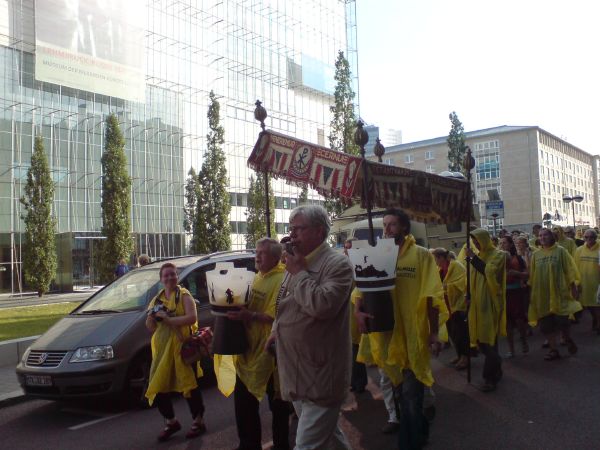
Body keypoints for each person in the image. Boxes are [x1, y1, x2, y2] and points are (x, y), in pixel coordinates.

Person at [356, 208, 445, 449]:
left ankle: (410, 443)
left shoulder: (422, 256)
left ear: (404, 228)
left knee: (409, 395)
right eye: (384, 225)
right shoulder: (377, 255)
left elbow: (432, 296)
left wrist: (434, 332)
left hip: (414, 336)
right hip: (387, 335)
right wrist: (359, 311)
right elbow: (361, 289)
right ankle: (421, 430)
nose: (386, 229)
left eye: (392, 225)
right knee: (399, 392)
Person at [266, 205, 354, 450]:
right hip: (297, 370)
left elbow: (323, 305)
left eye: (299, 229)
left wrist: (299, 273)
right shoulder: (296, 262)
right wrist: (275, 330)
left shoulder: (338, 265)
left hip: (321, 374)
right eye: (291, 229)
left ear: (318, 231)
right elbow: (285, 303)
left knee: (306, 445)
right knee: (331, 437)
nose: (292, 235)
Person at [227, 238, 290, 450]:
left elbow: (278, 316)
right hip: (248, 350)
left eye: (262, 253)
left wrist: (249, 315)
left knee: (278, 406)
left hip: (270, 353)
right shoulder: (255, 278)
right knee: (244, 404)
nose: (257, 256)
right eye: (257, 252)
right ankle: (248, 443)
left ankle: (281, 444)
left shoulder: (283, 279)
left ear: (275, 256)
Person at [145, 262, 206, 442]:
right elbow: (150, 326)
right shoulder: (157, 299)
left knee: (189, 386)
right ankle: (171, 421)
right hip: (163, 351)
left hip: (182, 348)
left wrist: (169, 319)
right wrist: (152, 317)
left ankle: (198, 420)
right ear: (161, 279)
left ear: (177, 277)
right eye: (166, 275)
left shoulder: (184, 295)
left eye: (173, 274)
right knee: (158, 386)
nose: (170, 278)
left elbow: (192, 317)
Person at [528, 228, 581, 360]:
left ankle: (567, 338)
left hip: (559, 292)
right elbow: (533, 275)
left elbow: (569, 269)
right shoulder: (536, 255)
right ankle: (553, 349)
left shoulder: (560, 251)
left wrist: (573, 287)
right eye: (540, 235)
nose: (542, 237)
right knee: (545, 323)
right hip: (542, 294)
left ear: (552, 237)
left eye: (545, 235)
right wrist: (532, 292)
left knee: (562, 320)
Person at [465, 229, 506, 392]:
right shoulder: (477, 256)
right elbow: (471, 278)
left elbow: (489, 272)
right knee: (484, 342)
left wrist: (473, 258)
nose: (475, 244)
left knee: (487, 342)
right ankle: (496, 368)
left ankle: (489, 377)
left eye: (477, 240)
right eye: (473, 241)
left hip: (490, 304)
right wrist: (467, 295)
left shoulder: (498, 255)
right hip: (476, 305)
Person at [432, 248, 468, 370]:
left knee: (461, 333)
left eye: (435, 258)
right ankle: (459, 355)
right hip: (446, 306)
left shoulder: (456, 265)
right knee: (453, 333)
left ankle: (465, 357)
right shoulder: (440, 269)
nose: (434, 261)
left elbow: (463, 282)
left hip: (457, 305)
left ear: (441, 257)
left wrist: (447, 286)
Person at [499, 236, 529, 357]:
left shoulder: (518, 258)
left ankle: (523, 341)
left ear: (511, 245)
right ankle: (511, 349)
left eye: (504, 243)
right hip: (503, 293)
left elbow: (527, 275)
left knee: (519, 319)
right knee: (507, 323)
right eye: (500, 243)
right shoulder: (497, 259)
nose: (502, 245)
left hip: (516, 291)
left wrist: (517, 274)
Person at [574, 229, 600, 334]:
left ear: (595, 237)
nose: (589, 239)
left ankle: (598, 324)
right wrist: (576, 283)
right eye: (586, 237)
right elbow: (575, 267)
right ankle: (596, 319)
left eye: (591, 237)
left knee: (597, 305)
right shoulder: (579, 250)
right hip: (584, 283)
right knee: (588, 305)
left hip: (597, 283)